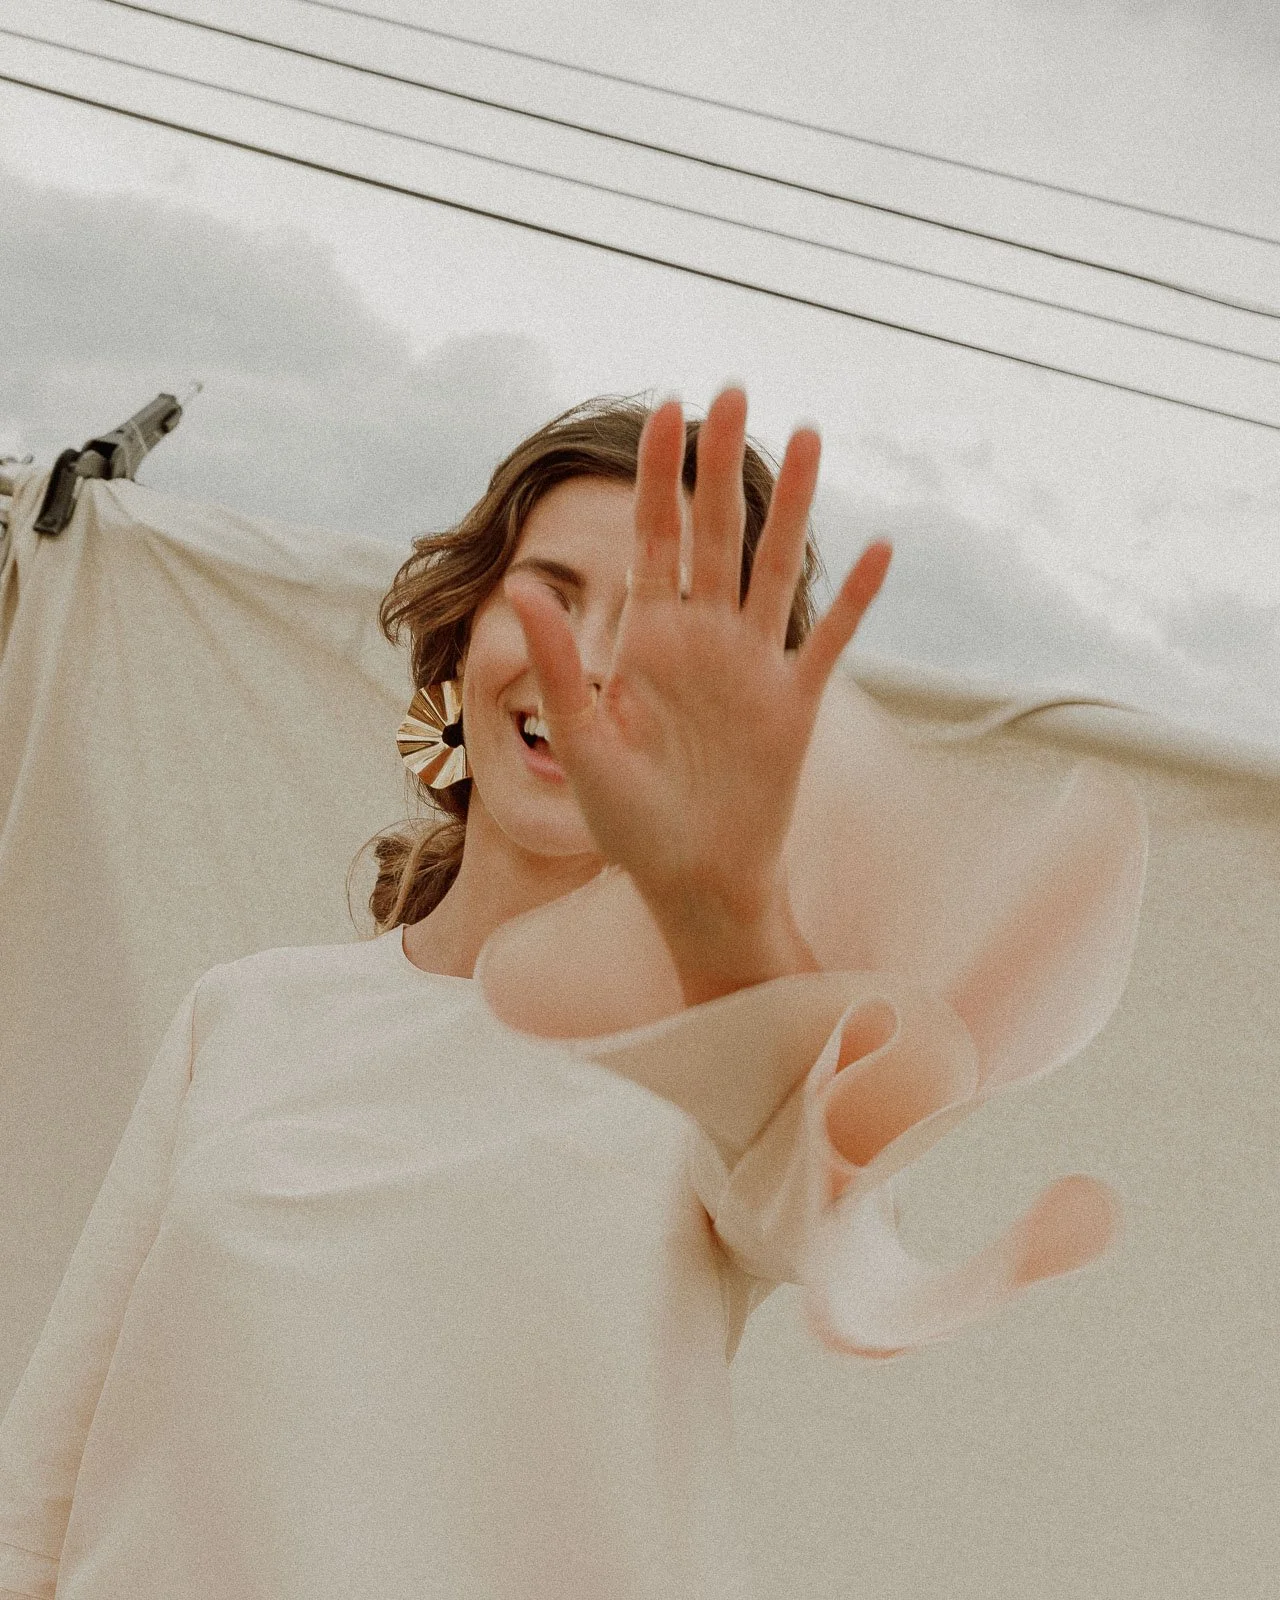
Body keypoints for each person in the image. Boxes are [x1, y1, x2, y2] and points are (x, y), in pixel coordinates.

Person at [0, 388, 1146, 1599]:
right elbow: (36, 1505)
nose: (589, 661)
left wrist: (727, 925)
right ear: (464, 628)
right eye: (552, 594)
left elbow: (824, 1216)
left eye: (662, 625)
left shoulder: (719, 1058)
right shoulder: (241, 1017)